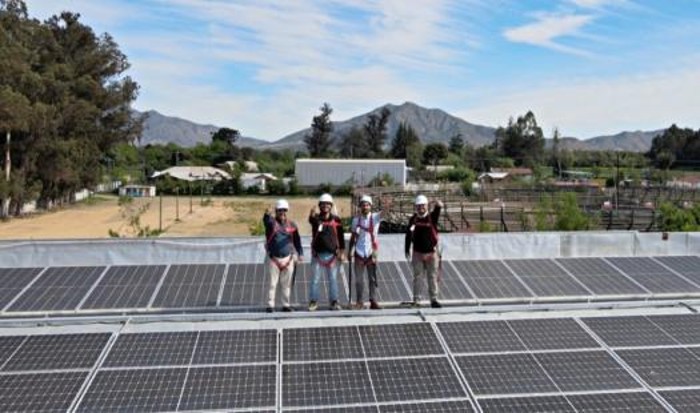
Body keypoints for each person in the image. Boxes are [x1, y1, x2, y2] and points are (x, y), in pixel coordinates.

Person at [263, 199, 303, 312]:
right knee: (272, 284)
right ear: (276, 211)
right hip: (273, 259)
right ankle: (270, 305)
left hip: (288, 259)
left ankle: (286, 304)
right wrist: (266, 214)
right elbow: (266, 221)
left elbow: (297, 240)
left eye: (284, 210)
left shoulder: (292, 225)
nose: (282, 213)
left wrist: (300, 253)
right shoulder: (271, 223)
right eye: (280, 210)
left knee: (286, 284)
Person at [405, 194, 443, 308]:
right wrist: (406, 249)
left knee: (432, 277)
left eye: (423, 205)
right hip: (417, 253)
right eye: (419, 206)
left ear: (427, 206)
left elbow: (439, 206)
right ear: (416, 207)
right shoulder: (413, 219)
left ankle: (434, 300)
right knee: (418, 278)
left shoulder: (432, 217)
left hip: (432, 253)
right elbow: (408, 235)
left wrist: (436, 201)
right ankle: (417, 300)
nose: (421, 208)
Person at [308, 193, 345, 311]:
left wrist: (342, 252)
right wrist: (311, 213)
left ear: (331, 205)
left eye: (328, 204)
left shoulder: (337, 220)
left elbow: (341, 236)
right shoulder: (316, 219)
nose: (325, 206)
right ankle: (313, 301)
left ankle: (334, 301)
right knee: (315, 280)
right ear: (320, 206)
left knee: (333, 280)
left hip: (332, 256)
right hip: (317, 255)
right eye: (323, 204)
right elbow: (310, 219)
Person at [348, 194, 384, 309]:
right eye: (363, 205)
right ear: (360, 206)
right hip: (359, 252)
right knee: (359, 280)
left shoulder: (375, 217)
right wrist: (350, 251)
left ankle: (373, 300)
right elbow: (353, 236)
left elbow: (385, 213)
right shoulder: (355, 220)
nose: (365, 207)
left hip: (371, 252)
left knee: (372, 279)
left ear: (370, 206)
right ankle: (359, 302)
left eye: (367, 205)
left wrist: (386, 204)